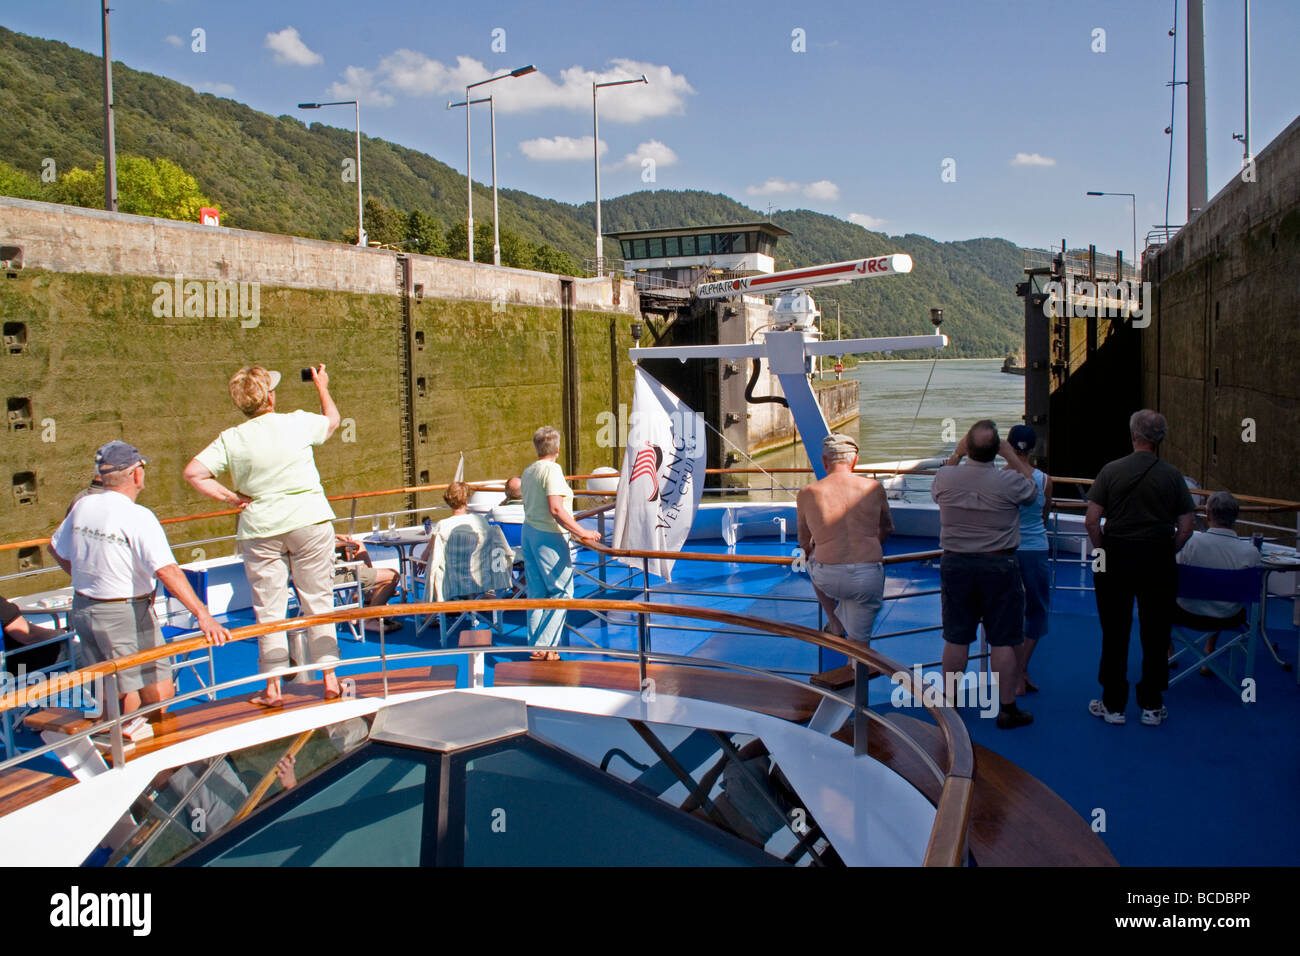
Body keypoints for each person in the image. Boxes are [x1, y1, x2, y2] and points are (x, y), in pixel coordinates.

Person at [183, 365, 342, 706]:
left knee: (268, 610)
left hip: (260, 527)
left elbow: (194, 472)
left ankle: (273, 689)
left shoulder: (231, 438)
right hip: (309, 521)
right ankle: (330, 680)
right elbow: (331, 421)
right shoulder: (296, 422)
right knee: (318, 602)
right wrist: (322, 386)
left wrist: (232, 498)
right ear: (270, 397)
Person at [48, 441, 229, 717]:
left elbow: (55, 547)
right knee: (154, 690)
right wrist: (203, 615)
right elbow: (167, 571)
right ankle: (139, 743)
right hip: (126, 614)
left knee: (110, 685)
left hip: (84, 608)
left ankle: (117, 741)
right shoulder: (138, 516)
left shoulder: (83, 506)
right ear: (135, 473)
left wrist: (84, 577)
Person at [1085, 409, 1195, 726]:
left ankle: (1113, 705)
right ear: (1161, 438)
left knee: (1115, 631)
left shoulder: (1110, 471)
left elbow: (1092, 522)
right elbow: (1186, 528)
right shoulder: (1173, 476)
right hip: (1158, 558)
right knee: (1156, 632)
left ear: (1134, 435)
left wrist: (1102, 551)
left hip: (1116, 555)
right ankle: (1151, 704)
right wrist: (1166, 550)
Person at [930, 421, 1039, 729]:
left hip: (956, 565)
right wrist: (1013, 458)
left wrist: (956, 454)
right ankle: (1007, 709)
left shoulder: (945, 477)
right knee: (1003, 640)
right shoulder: (1010, 481)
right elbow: (1034, 493)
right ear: (996, 450)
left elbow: (938, 489)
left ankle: (949, 705)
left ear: (967, 447)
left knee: (956, 637)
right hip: (998, 566)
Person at [796, 433, 893, 644]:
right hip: (868, 574)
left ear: (824, 461)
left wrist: (812, 547)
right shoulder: (874, 488)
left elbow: (804, 540)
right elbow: (887, 528)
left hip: (828, 576)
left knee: (810, 562)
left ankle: (835, 620)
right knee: (860, 644)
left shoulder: (807, 493)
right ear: (855, 460)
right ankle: (857, 667)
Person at [521, 427, 601, 660]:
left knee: (537, 593)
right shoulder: (552, 470)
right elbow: (556, 508)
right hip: (548, 534)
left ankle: (535, 647)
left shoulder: (528, 472)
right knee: (563, 592)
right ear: (557, 449)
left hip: (530, 531)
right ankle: (546, 646)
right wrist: (582, 532)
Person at [1172, 491, 1261, 677]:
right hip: (1228, 617)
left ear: (1208, 514)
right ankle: (1209, 649)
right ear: (1236, 517)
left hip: (1185, 613)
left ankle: (1169, 651)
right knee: (1222, 597)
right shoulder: (1251, 553)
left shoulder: (1189, 544)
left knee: (1154, 600)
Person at [420, 481, 512, 646]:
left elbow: (428, 555)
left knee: (433, 567)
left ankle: (430, 614)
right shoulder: (481, 522)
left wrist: (422, 561)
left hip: (451, 584)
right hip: (480, 580)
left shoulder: (442, 526)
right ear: (466, 501)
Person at [1006, 424, 1053, 696]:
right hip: (1035, 549)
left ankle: (1012, 673)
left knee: (1009, 612)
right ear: (1033, 448)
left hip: (1007, 549)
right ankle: (1021, 670)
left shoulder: (999, 478)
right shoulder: (1045, 480)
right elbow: (1044, 514)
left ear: (1009, 447)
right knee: (1036, 611)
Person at [334, 535, 401, 635]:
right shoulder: (313, 537)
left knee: (358, 544)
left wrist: (338, 536)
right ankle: (368, 619)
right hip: (338, 575)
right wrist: (345, 543)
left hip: (337, 570)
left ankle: (369, 599)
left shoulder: (309, 532)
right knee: (393, 576)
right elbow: (324, 545)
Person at [1, 595, 66, 673]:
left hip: (9, 668)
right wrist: (58, 634)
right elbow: (28, 635)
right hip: (21, 667)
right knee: (77, 650)